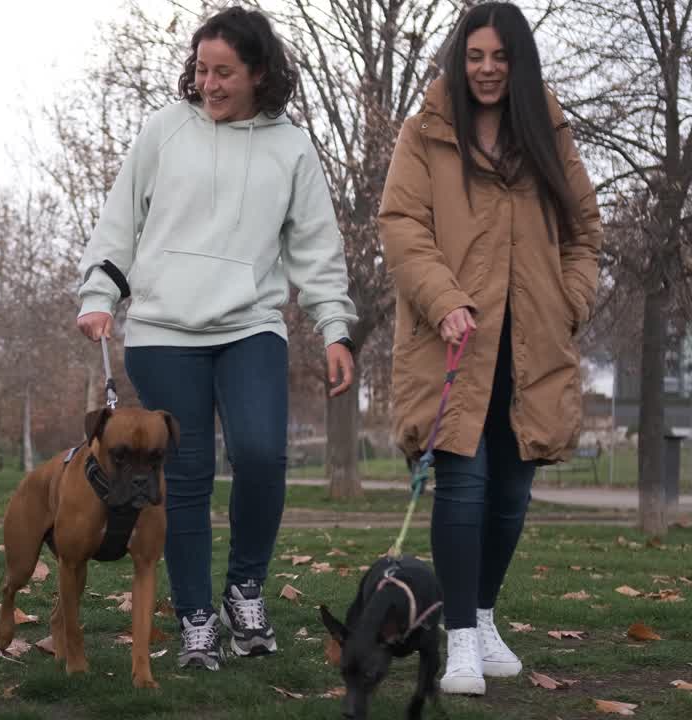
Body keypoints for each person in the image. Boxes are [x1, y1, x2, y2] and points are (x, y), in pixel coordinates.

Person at [76, 6, 358, 672]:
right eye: (201, 70)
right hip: (164, 328)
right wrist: (98, 296)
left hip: (250, 323)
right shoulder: (164, 131)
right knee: (189, 474)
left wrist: (334, 326)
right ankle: (197, 617)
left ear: (260, 72)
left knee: (263, 452)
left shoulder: (291, 146)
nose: (209, 83)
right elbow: (120, 221)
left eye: (224, 71)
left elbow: (317, 246)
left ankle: (245, 590)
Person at [379, 2, 602, 696]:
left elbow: (585, 233)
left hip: (532, 344)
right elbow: (402, 226)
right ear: (459, 58)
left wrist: (569, 302)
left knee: (511, 494)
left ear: (518, 63)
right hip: (454, 340)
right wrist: (443, 299)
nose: (486, 69)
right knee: (465, 487)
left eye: (500, 57)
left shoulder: (547, 131)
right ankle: (462, 643)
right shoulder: (425, 133)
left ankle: (481, 613)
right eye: (475, 56)